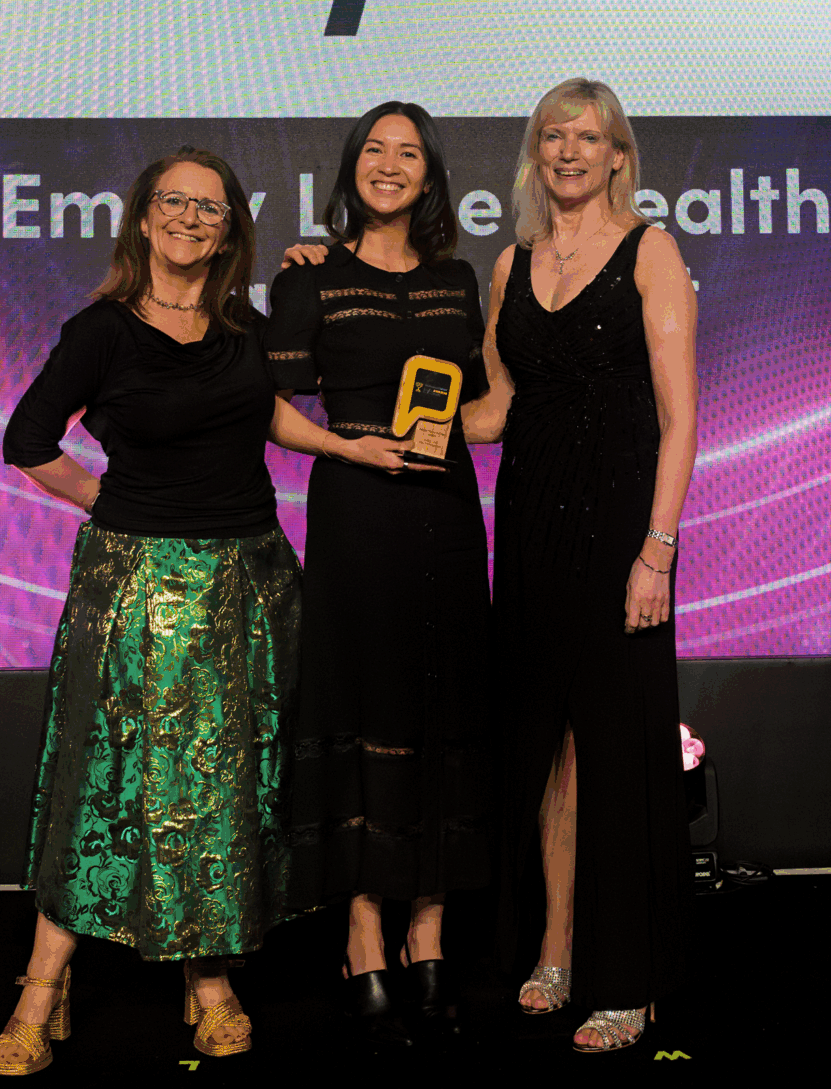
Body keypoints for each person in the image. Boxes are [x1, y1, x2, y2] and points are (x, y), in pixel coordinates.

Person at [0, 147, 414, 1075]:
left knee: (222, 790)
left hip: (252, 581)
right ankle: (42, 981)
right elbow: (25, 440)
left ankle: (208, 974)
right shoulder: (101, 330)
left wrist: (346, 448)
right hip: (139, 583)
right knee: (107, 782)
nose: (190, 218)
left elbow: (266, 412)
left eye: (211, 208)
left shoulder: (241, 325)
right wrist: (109, 502)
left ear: (230, 229)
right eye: (173, 202)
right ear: (142, 217)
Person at [473, 79, 698, 1053]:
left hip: (620, 539)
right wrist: (371, 416)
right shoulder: (507, 266)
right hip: (525, 534)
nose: (567, 150)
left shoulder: (649, 250)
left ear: (616, 156)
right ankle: (556, 950)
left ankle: (629, 979)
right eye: (551, 135)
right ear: (536, 153)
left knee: (618, 755)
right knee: (547, 756)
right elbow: (490, 411)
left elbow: (679, 416)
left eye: (587, 136)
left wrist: (657, 550)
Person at [265, 103, 493, 1043]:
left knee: (439, 705)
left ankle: (427, 921)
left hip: (445, 517)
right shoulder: (308, 277)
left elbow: (483, 406)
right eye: (374, 150)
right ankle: (364, 925)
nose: (389, 165)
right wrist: (351, 449)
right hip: (356, 515)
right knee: (360, 702)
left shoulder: (456, 279)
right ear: (351, 168)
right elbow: (269, 408)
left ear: (431, 175)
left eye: (408, 152)